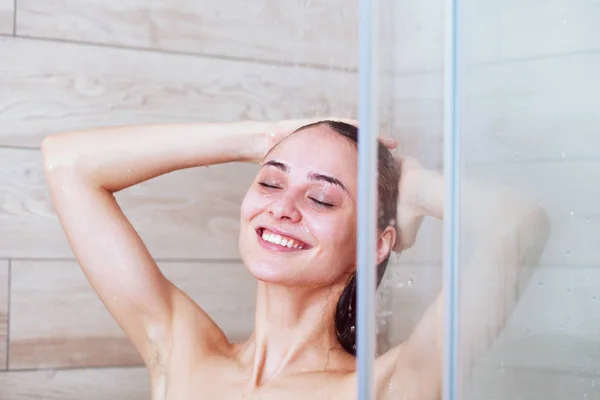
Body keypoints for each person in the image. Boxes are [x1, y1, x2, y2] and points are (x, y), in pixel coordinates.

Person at [41, 119, 550, 399]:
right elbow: (67, 162)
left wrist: (411, 187)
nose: (282, 207)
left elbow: (521, 223)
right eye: (270, 181)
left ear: (377, 244)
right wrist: (260, 138)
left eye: (322, 198)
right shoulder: (182, 351)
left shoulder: (388, 386)